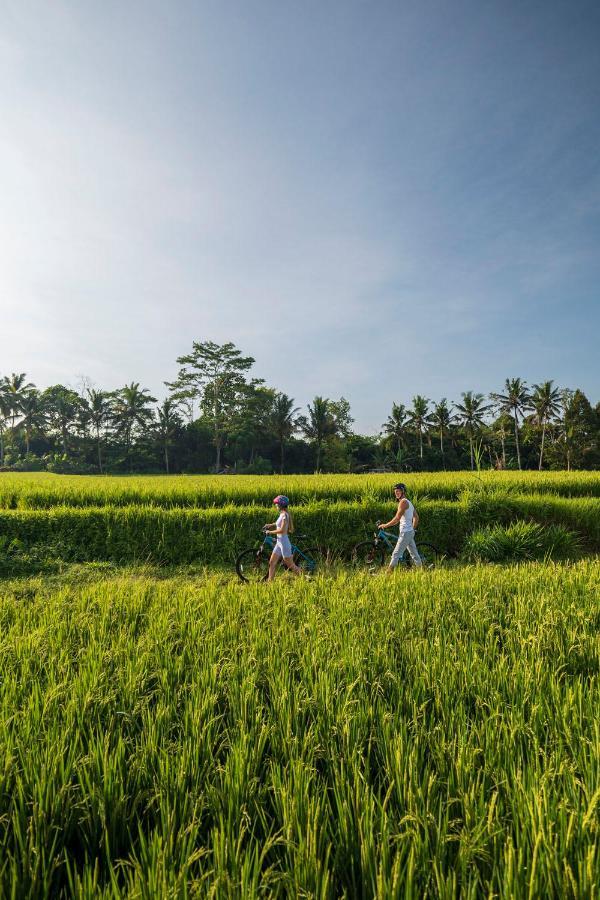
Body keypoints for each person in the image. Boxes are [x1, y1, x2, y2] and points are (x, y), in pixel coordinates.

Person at [378, 482, 422, 572]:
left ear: (403, 491)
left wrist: (385, 525)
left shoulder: (403, 502)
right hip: (409, 532)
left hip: (405, 532)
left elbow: (397, 519)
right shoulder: (409, 502)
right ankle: (421, 571)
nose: (396, 493)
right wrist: (412, 529)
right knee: (414, 554)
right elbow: (416, 517)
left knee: (396, 554)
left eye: (398, 491)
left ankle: (388, 574)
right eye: (395, 492)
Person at [264, 495, 302, 581]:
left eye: (277, 504)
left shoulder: (285, 515)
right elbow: (278, 523)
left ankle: (306, 577)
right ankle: (270, 583)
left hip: (284, 542)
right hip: (279, 542)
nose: (276, 505)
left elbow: (282, 530)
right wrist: (271, 525)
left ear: (281, 505)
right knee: (272, 563)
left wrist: (270, 532)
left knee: (290, 565)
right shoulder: (282, 514)